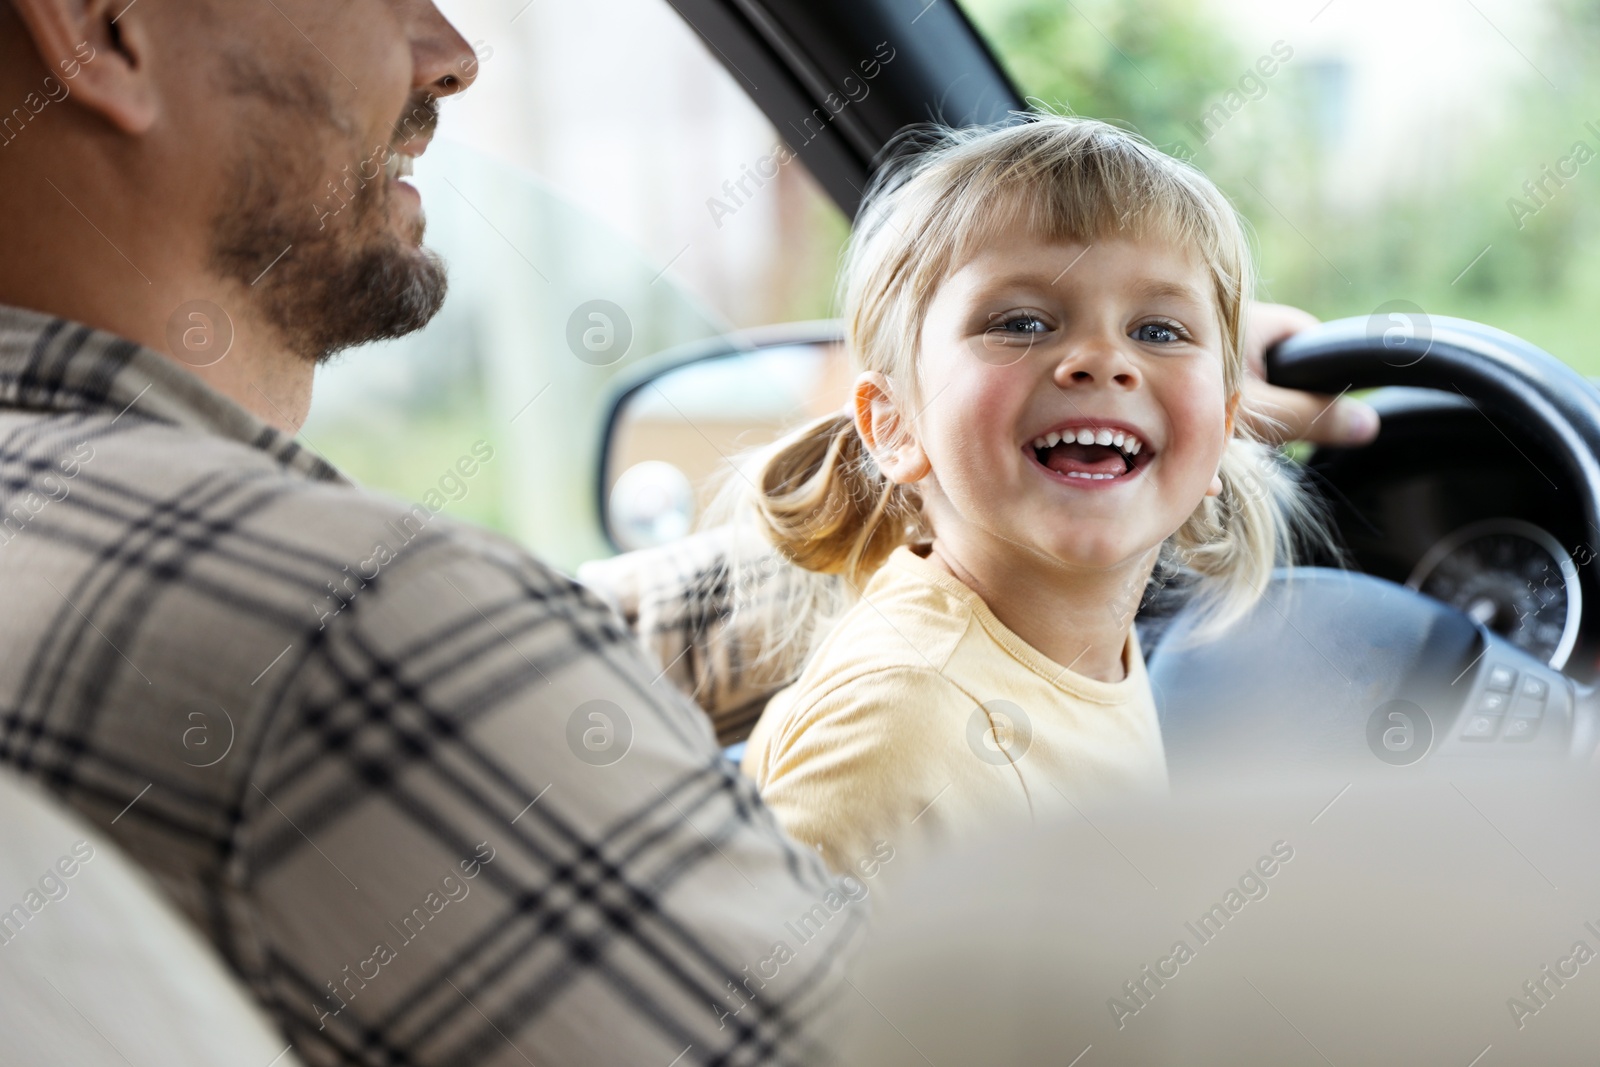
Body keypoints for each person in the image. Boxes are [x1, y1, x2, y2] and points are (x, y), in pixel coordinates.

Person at [0, 2, 1374, 1065]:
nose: (452, 52)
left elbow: (544, 654)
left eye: (1158, 328)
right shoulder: (356, 632)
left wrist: (1031, 491)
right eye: (1021, 319)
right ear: (105, 23)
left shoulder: (76, 518)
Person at [735, 116, 1338, 875]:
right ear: (893, 425)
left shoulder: (1077, 649)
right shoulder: (901, 727)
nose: (1101, 359)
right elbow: (770, 988)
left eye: (1158, 329)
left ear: (1222, 430)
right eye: (1020, 322)